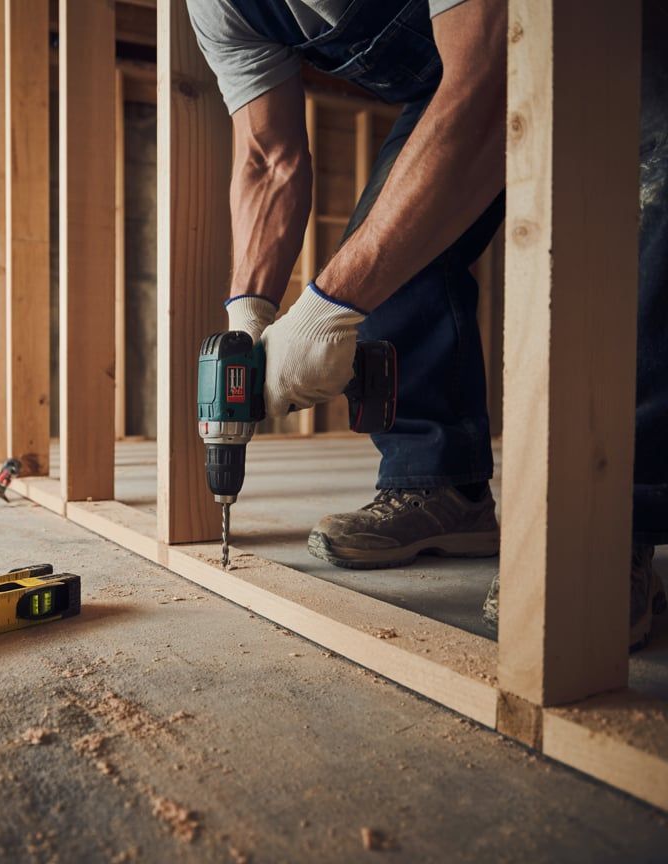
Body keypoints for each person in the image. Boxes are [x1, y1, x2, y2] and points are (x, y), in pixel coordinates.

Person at [186, 0, 668, 649]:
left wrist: (329, 304)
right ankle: (442, 485)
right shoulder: (218, 6)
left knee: (645, 194)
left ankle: (612, 517)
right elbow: (270, 161)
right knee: (384, 248)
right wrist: (251, 311)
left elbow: (495, 64)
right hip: (460, 77)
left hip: (608, 24)